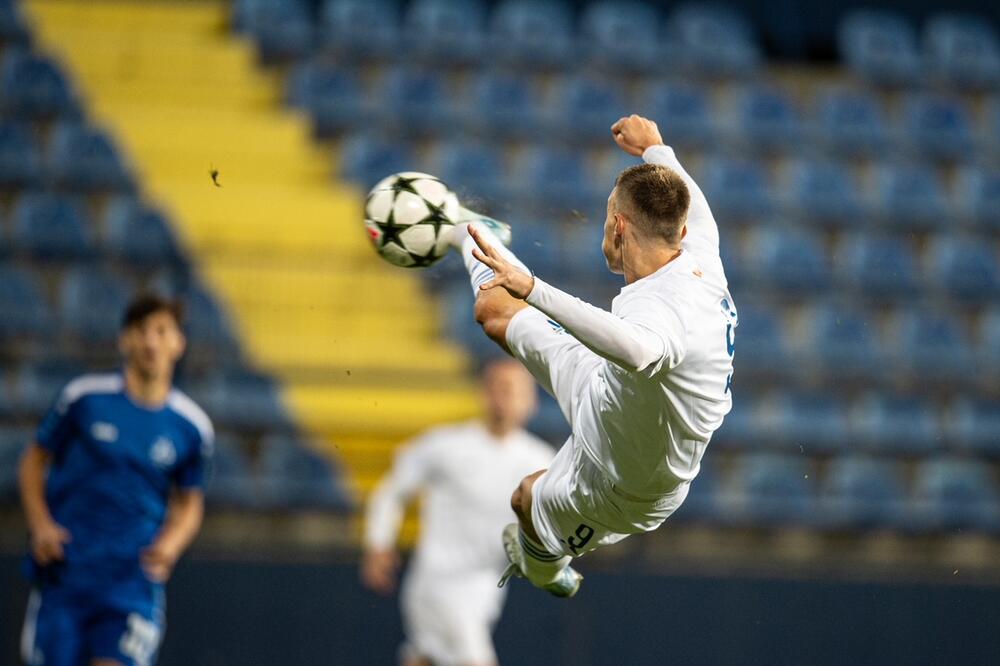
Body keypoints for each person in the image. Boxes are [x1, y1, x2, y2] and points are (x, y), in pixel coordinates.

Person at [452, 115, 737, 598]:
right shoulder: (697, 247)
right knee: (494, 311)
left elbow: (637, 348)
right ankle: (467, 229)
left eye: (607, 215)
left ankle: (545, 569)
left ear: (619, 225)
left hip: (623, 479)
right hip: (606, 389)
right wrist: (657, 149)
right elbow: (692, 198)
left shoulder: (662, 315)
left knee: (525, 498)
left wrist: (534, 289)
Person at [18, 294, 214, 666]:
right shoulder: (85, 399)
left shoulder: (192, 427)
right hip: (68, 571)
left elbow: (190, 501)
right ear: (125, 340)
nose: (151, 342)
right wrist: (41, 524)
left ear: (179, 343)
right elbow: (34, 459)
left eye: (162, 331)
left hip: (131, 580)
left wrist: (171, 545)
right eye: (142, 331)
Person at [361, 359, 554, 666]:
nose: (503, 398)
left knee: (425, 657)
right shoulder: (445, 446)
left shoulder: (542, 462)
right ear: (483, 394)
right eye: (497, 388)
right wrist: (378, 543)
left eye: (512, 390)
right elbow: (392, 491)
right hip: (438, 581)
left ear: (530, 401)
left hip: (486, 587)